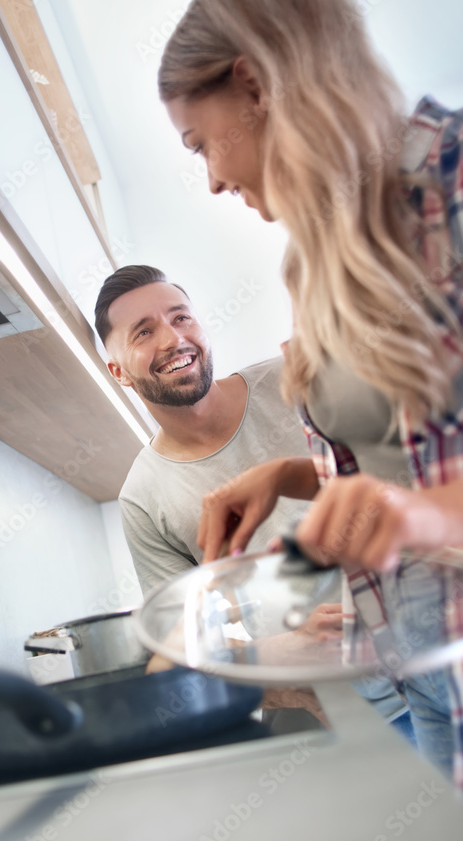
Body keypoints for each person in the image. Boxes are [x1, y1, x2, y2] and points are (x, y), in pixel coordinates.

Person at [157, 0, 463, 779]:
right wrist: (288, 476)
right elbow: (395, 462)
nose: (212, 179)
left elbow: (414, 500)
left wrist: (414, 515)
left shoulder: (450, 180)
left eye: (200, 143)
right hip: (421, 670)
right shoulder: (314, 264)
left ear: (256, 87)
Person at [95, 264, 412, 734]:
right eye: (144, 332)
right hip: (337, 721)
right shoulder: (142, 497)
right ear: (118, 370)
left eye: (181, 318)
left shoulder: (295, 382)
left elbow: (411, 484)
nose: (173, 339)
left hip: (431, 661)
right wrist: (274, 655)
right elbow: (175, 660)